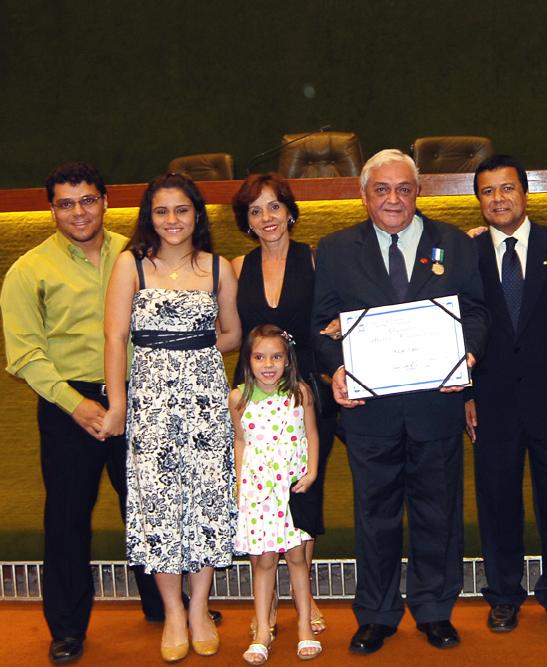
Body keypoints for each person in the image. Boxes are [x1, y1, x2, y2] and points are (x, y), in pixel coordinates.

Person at [312, 149, 489, 654]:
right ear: (363, 195)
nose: (393, 198)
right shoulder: (336, 250)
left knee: (439, 515)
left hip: (436, 406)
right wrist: (336, 368)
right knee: (376, 518)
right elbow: (321, 326)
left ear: (418, 192)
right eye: (382, 189)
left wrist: (468, 355)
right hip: (370, 414)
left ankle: (435, 610)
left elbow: (476, 313)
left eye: (404, 188)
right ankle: (377, 614)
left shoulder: (454, 244)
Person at [2, 162, 175, 664]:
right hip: (68, 403)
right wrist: (77, 405)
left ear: (105, 201)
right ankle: (67, 628)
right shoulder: (29, 269)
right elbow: (24, 354)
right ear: (51, 209)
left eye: (87, 200)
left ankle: (164, 607)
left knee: (148, 506)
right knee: (67, 517)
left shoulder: (136, 254)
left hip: (138, 395)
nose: (78, 212)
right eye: (65, 203)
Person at [100, 172, 240, 662]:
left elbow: (232, 334)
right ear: (150, 217)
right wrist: (118, 404)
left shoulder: (219, 267)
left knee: (206, 501)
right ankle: (173, 613)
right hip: (151, 404)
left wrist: (192, 350)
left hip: (205, 401)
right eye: (161, 211)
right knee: (158, 505)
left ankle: (199, 610)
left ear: (196, 214)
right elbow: (115, 337)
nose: (172, 220)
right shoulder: (131, 265)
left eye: (181, 210)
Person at [464, 155, 547, 633]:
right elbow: (456, 330)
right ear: (478, 200)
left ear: (525, 193)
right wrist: (464, 396)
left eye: (507, 188)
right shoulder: (467, 255)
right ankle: (503, 594)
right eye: (487, 191)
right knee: (498, 504)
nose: (498, 199)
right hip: (490, 404)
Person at [232, 172, 341, 637]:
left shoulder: (315, 259)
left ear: (290, 211)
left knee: (302, 493)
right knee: (259, 494)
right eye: (255, 211)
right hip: (254, 400)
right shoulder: (236, 267)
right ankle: (267, 604)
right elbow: (230, 334)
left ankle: (303, 595)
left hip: (307, 395)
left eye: (274, 206)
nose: (266, 218)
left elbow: (340, 310)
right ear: (247, 221)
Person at [231, 325, 322, 663]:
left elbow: (312, 434)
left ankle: (304, 627)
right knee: (265, 561)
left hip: (293, 490)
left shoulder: (300, 393)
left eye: (276, 357)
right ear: (248, 360)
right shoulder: (238, 398)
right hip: (258, 494)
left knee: (298, 558)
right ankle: (262, 632)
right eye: (259, 357)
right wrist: (240, 485)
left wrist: (312, 472)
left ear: (287, 360)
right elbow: (240, 441)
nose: (268, 365)